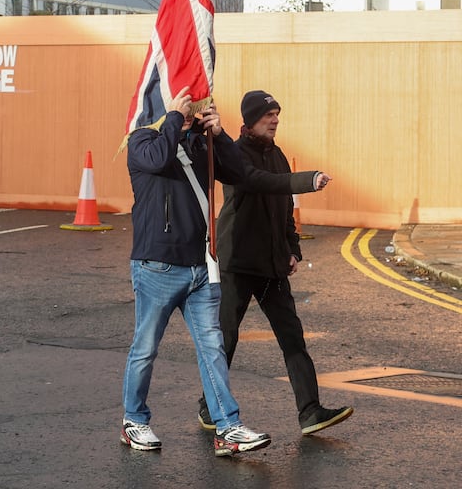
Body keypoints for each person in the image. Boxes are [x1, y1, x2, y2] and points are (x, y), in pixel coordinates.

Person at [121, 87, 272, 457]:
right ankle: (133, 420)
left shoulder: (199, 144)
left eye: (194, 105)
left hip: (200, 269)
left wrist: (218, 137)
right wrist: (173, 117)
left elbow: (237, 173)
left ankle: (228, 428)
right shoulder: (142, 140)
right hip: (157, 266)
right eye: (185, 105)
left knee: (213, 349)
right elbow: (157, 160)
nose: (191, 110)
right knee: (145, 349)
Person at [198, 90, 353, 436]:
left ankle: (310, 412)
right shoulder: (234, 154)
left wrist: (292, 249)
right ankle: (210, 407)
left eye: (277, 114)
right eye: (268, 114)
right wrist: (307, 180)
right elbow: (259, 182)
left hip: (272, 267)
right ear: (250, 120)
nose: (275, 120)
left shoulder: (278, 155)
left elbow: (285, 206)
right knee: (226, 338)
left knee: (292, 337)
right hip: (237, 262)